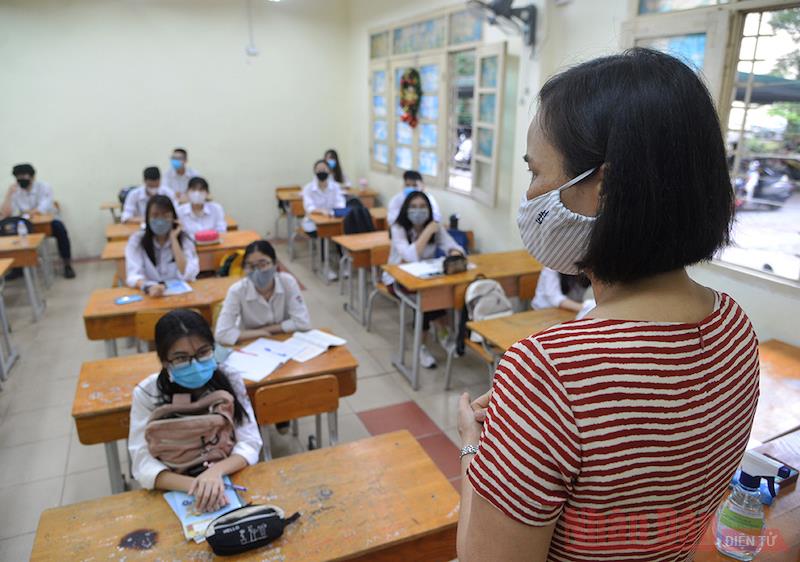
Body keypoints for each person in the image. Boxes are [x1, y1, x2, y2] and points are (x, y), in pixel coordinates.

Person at [456, 48, 760, 562]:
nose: (529, 195)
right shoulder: (734, 326)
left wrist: (474, 448)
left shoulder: (548, 371)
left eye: (535, 172)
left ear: (605, 187)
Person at [128, 309, 261, 510]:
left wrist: (215, 473)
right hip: (175, 487)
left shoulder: (230, 378)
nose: (196, 364)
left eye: (203, 352)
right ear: (164, 362)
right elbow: (142, 463)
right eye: (181, 358)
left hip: (228, 477)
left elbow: (250, 441)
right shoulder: (147, 393)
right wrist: (197, 485)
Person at [384, 191, 464, 368]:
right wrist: (427, 232)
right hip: (397, 279)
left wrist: (454, 252)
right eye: (413, 207)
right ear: (406, 209)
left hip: (425, 279)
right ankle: (426, 344)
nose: (418, 211)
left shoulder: (436, 227)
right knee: (427, 302)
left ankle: (440, 336)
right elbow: (410, 256)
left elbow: (453, 246)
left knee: (435, 297)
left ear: (429, 209)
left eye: (422, 207)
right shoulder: (398, 228)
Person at [215, 240, 311, 346]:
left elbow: (303, 322)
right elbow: (221, 334)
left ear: (275, 264)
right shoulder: (237, 291)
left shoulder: (287, 282)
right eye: (250, 266)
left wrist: (266, 331)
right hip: (251, 343)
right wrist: (260, 333)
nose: (257, 271)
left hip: (286, 341)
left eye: (263, 264)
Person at [2, 163, 75, 278]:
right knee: (6, 231)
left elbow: (42, 208)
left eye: (24, 176)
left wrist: (27, 212)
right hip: (24, 225)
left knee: (60, 229)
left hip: (47, 223)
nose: (21, 179)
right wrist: (9, 194)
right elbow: (6, 214)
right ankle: (18, 267)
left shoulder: (44, 187)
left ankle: (67, 265)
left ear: (32, 176)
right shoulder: (15, 191)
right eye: (18, 177)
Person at [125, 195, 199, 295]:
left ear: (173, 217)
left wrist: (174, 240)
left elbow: (187, 273)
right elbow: (133, 275)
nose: (160, 220)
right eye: (155, 216)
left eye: (165, 215)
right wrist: (148, 287)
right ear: (147, 218)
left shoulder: (184, 239)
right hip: (150, 294)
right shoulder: (137, 240)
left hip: (180, 295)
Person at [302, 159, 345, 281]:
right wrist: (322, 211)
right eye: (319, 169)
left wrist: (333, 211)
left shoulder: (335, 186)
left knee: (340, 234)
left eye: (324, 169)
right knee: (322, 235)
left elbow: (340, 203)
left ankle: (343, 264)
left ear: (329, 171)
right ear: (314, 172)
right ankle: (325, 266)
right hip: (312, 222)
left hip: (332, 220)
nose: (322, 171)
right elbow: (309, 207)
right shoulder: (308, 188)